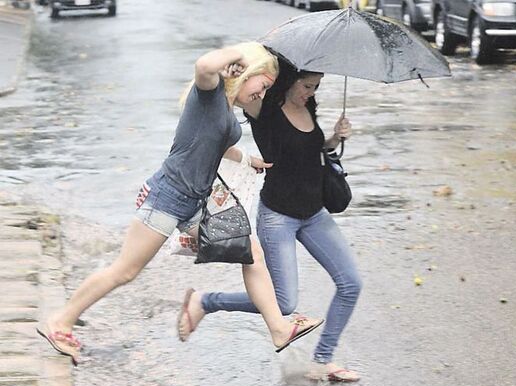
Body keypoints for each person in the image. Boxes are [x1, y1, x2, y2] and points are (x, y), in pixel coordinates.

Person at [37, 43, 323, 366]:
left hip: (196, 202)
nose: (264, 93)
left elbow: (213, 145)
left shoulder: (227, 110)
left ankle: (279, 329)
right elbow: (203, 64)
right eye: (264, 84)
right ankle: (61, 320)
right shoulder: (209, 94)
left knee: (252, 254)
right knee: (125, 270)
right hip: (170, 196)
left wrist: (247, 158)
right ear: (247, 72)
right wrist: (236, 56)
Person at [192, 61, 362, 382]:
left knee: (351, 283)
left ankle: (322, 361)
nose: (311, 93)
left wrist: (334, 139)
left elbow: (310, 150)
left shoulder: (309, 105)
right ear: (289, 81)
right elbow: (234, 94)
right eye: (307, 86)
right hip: (278, 216)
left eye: (316, 87)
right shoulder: (265, 110)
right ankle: (206, 301)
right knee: (283, 303)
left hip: (314, 213)